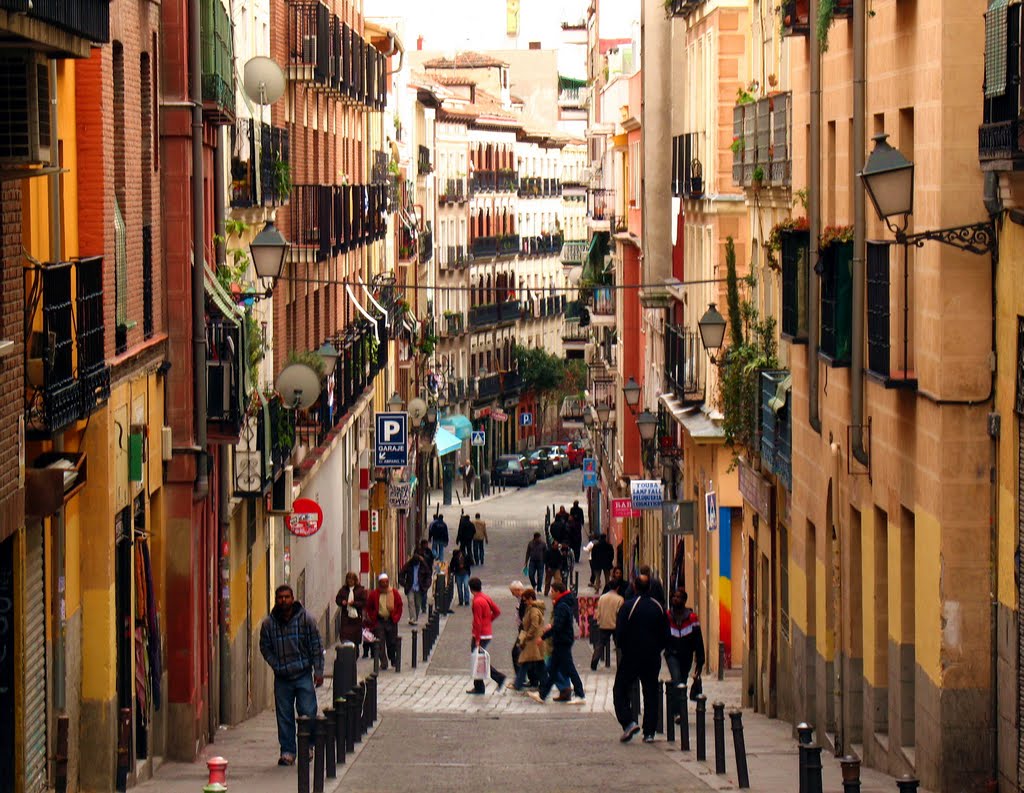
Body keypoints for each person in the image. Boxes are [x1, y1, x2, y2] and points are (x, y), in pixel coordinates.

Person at [259, 584, 324, 766]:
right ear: (276, 599)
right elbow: (264, 647)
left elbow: (316, 646)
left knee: (308, 712)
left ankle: (308, 746)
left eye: (287, 597)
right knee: (284, 716)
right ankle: (287, 751)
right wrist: (275, 663)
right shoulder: (269, 624)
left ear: (293, 598)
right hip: (282, 678)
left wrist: (318, 671)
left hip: (303, 674)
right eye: (280, 597)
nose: (284, 600)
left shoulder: (306, 619)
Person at [613, 574, 668, 743]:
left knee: (620, 690)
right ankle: (649, 732)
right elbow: (665, 634)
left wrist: (623, 647)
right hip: (652, 657)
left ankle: (628, 722)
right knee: (651, 693)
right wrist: (657, 649)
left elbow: (619, 633)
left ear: (634, 587)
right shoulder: (658, 607)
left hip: (632, 655)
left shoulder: (628, 606)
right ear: (649, 588)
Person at [527, 580, 584, 704]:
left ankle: (580, 694)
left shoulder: (562, 606)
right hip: (562, 641)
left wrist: (543, 636)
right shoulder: (562, 603)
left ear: (558, 592)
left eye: (552, 591)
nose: (551, 594)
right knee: (552, 670)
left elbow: (558, 626)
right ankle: (543, 695)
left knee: (569, 669)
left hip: (562, 641)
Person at [468, 577, 508, 694]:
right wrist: (489, 621)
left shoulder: (477, 601)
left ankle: (496, 678)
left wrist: (477, 638)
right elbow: (497, 611)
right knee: (479, 659)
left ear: (471, 589)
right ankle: (480, 686)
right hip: (487, 632)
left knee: (478, 660)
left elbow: (477, 621)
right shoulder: (485, 597)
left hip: (481, 635)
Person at [666, 589, 705, 688]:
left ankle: (680, 702)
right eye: (674, 596)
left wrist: (700, 661)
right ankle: (677, 701)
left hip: (686, 656)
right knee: (677, 679)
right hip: (672, 654)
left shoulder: (692, 618)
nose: (675, 599)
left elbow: (698, 640)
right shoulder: (667, 616)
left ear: (684, 601)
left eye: (678, 597)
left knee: (683, 681)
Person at [365, 573, 404, 671]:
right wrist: (372, 616)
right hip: (379, 621)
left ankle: (393, 658)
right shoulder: (374, 594)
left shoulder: (394, 592)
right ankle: (383, 662)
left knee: (392, 642)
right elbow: (369, 606)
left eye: (386, 582)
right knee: (380, 642)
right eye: (383, 582)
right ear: (379, 583)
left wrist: (396, 617)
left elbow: (399, 605)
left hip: (391, 620)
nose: (385, 584)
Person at [512, 588, 546, 691]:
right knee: (538, 662)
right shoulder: (531, 608)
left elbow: (534, 625)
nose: (525, 602)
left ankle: (518, 684)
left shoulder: (534, 610)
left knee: (526, 662)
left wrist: (528, 635)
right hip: (532, 640)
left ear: (531, 598)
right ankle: (544, 683)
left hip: (532, 640)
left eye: (526, 600)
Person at [591, 578, 625, 670]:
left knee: (600, 644)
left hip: (604, 623)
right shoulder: (620, 599)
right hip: (615, 624)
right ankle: (620, 664)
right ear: (617, 588)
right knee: (619, 645)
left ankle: (594, 662)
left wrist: (598, 620)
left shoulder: (602, 597)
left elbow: (599, 610)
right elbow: (620, 613)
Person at [399, 546, 432, 624]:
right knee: (411, 602)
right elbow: (401, 574)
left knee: (417, 604)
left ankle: (415, 617)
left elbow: (428, 575)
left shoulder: (423, 566)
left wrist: (425, 586)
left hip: (419, 587)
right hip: (410, 586)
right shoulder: (409, 565)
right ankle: (412, 618)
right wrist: (404, 584)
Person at [334, 571, 367, 648]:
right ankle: (348, 652)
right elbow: (338, 599)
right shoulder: (343, 590)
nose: (350, 581)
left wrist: (354, 603)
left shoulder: (360, 590)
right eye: (348, 580)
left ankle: (355, 652)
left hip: (356, 618)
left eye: (352, 580)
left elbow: (364, 602)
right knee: (346, 636)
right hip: (346, 617)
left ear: (355, 580)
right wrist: (342, 602)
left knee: (355, 637)